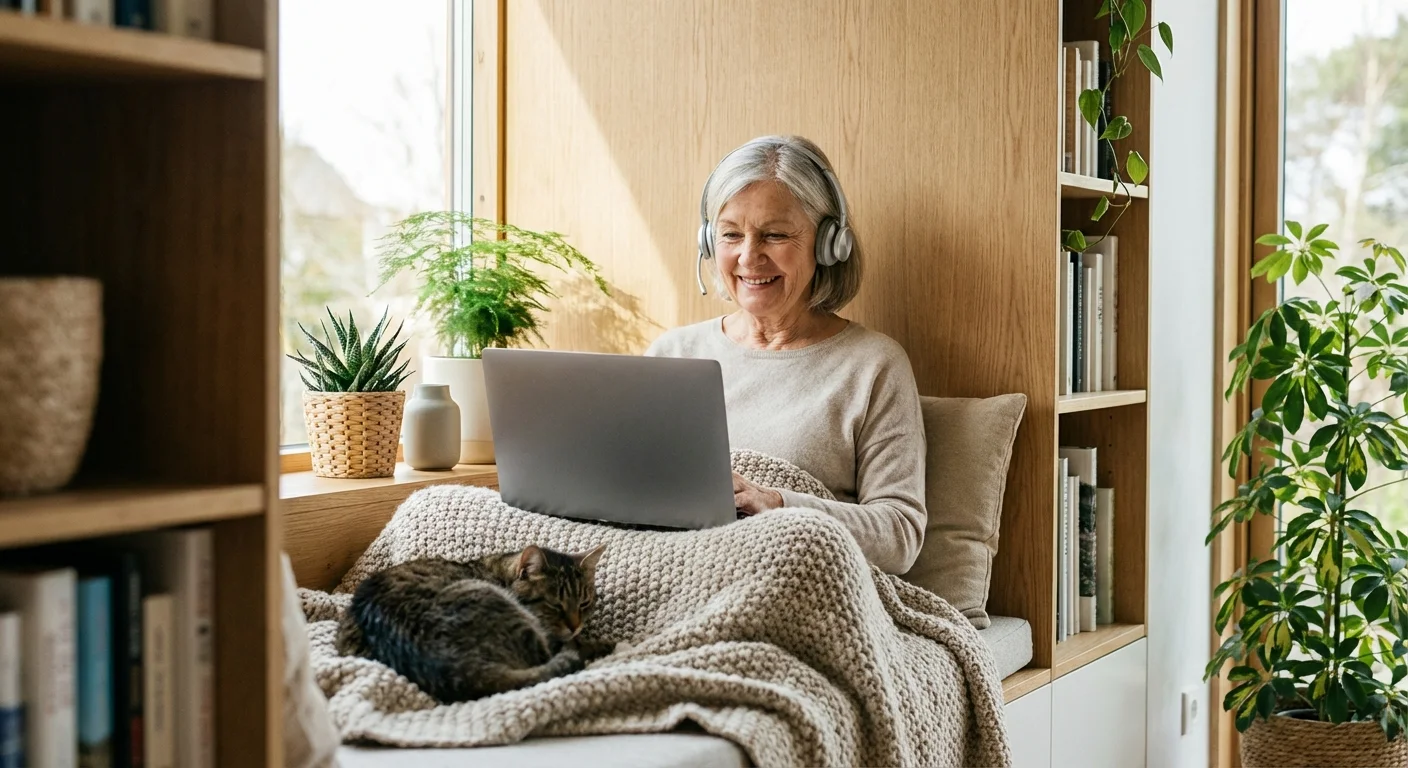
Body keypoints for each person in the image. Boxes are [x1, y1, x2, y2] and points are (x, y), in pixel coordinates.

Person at [645, 135, 927, 574]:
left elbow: (899, 537)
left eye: (775, 235)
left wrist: (778, 505)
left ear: (829, 243)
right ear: (707, 242)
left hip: (792, 582)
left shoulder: (873, 365)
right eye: (730, 234)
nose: (748, 256)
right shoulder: (672, 354)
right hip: (672, 570)